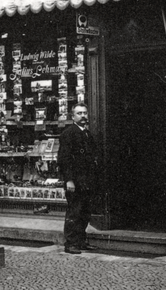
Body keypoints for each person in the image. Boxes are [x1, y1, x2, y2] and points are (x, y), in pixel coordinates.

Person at [57, 103, 99, 254]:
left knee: (85, 212)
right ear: (73, 116)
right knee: (74, 212)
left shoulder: (87, 134)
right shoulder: (69, 133)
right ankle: (71, 243)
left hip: (87, 180)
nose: (83, 116)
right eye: (79, 113)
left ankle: (81, 241)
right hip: (75, 181)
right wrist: (69, 180)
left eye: (85, 113)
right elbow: (64, 159)